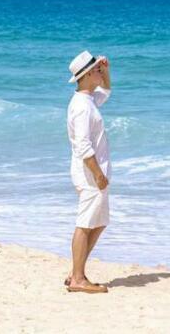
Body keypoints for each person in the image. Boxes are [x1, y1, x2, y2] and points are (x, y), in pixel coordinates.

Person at [64, 50, 112, 294]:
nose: (99, 73)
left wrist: (106, 71)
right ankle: (78, 279)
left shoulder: (88, 99)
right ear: (85, 76)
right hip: (89, 173)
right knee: (85, 224)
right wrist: (98, 174)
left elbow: (106, 91)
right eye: (96, 70)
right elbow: (83, 145)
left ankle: (76, 271)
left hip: (93, 172)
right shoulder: (82, 106)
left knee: (99, 222)